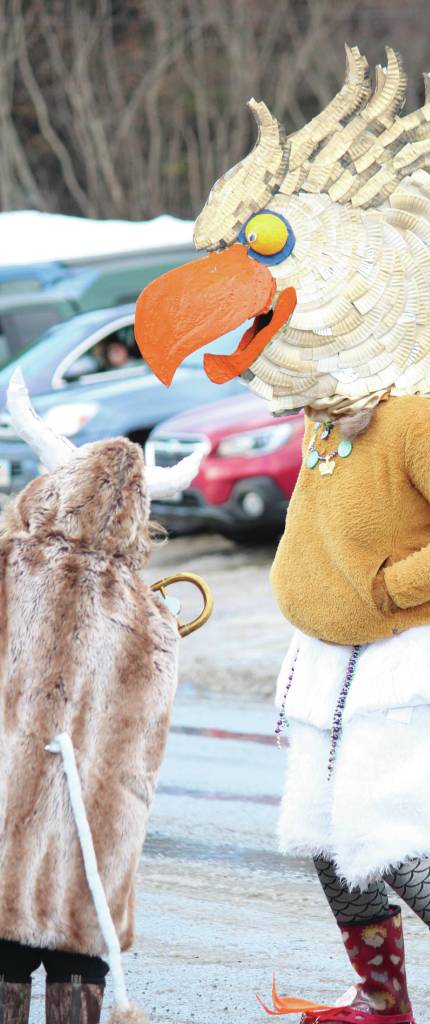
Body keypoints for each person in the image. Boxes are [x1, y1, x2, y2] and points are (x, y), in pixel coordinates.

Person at [135, 30, 430, 1024]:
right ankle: (379, 996)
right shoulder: (328, 418)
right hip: (333, 657)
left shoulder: (414, 421)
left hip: (410, 651)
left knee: (379, 826)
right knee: (323, 830)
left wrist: (393, 590)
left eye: (262, 247)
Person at [0, 372, 203, 1024]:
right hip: (94, 840)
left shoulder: (7, 565)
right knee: (78, 966)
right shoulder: (153, 616)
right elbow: (147, 748)